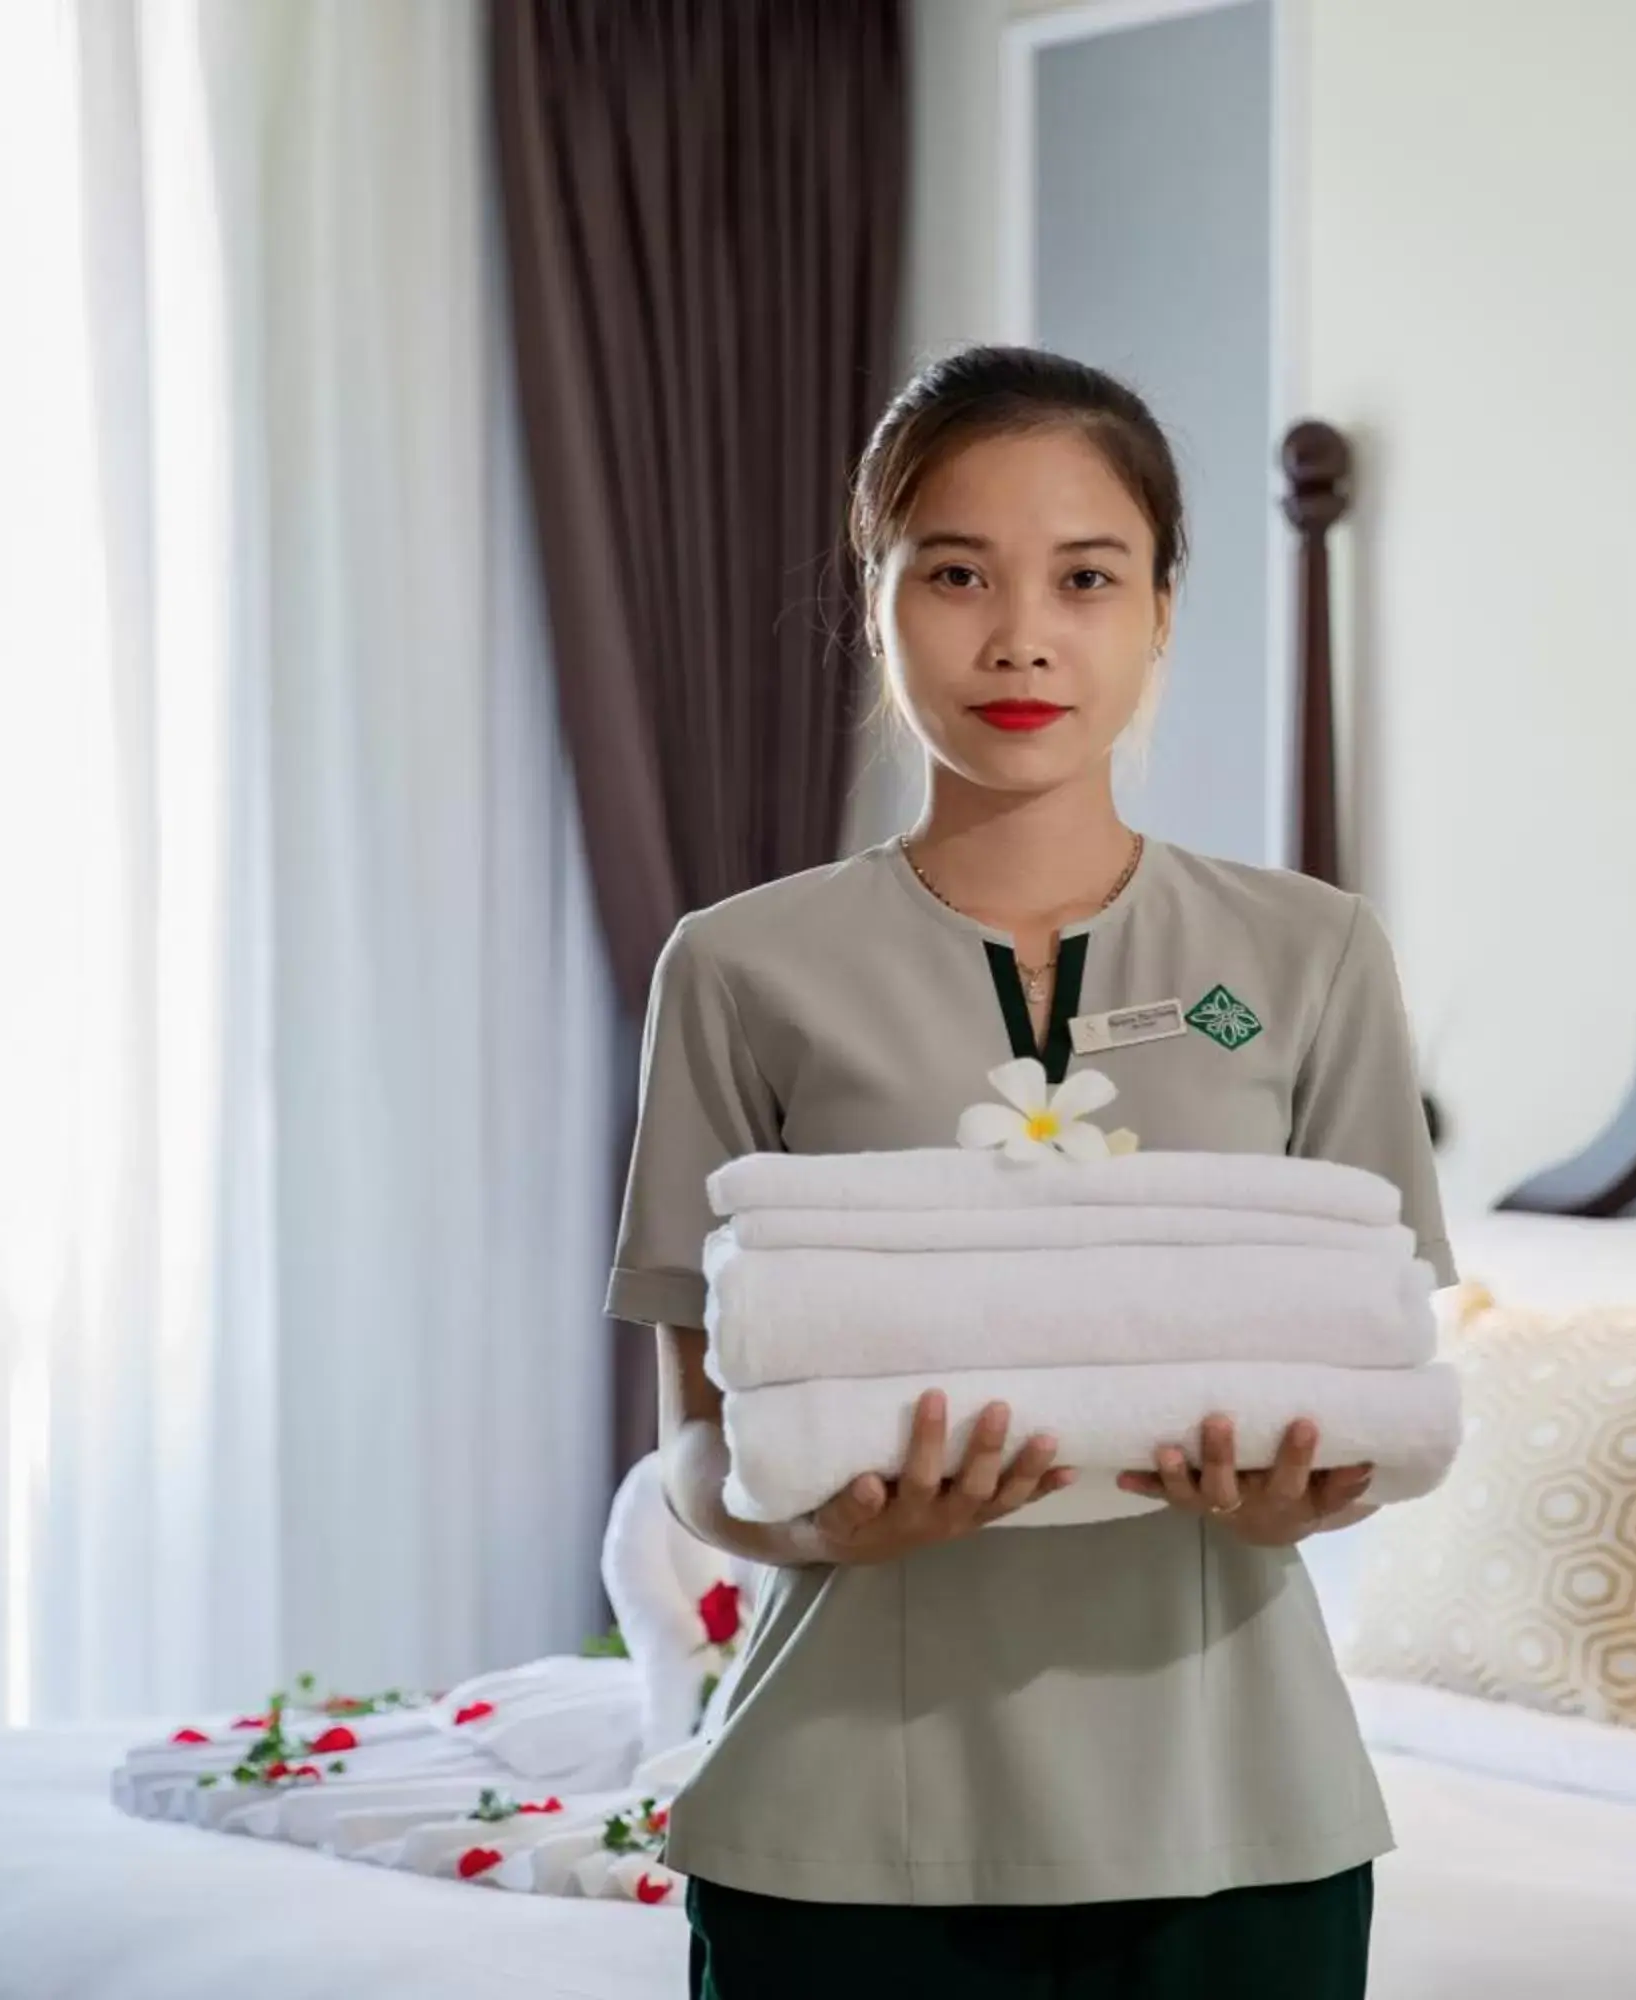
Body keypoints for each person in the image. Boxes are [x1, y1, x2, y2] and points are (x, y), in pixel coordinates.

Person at [604, 345, 1456, 1997]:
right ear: (876, 602)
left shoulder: (1316, 954)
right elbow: (699, 1456)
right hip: (838, 1828)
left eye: (1087, 576)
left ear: (1158, 611)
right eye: (953, 574)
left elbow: (1376, 1372)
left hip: (1237, 1825)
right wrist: (817, 1536)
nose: (1020, 635)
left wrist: (1323, 1488)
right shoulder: (736, 967)